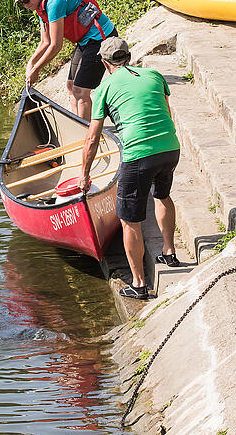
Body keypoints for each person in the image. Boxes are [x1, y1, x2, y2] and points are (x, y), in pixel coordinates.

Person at [79, 38, 181, 300]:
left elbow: (92, 139)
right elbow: (165, 112)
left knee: (129, 221)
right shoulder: (155, 75)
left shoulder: (103, 89)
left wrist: (85, 175)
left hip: (138, 156)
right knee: (162, 195)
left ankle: (138, 284)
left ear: (104, 63)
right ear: (129, 56)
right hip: (170, 147)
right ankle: (169, 252)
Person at [14, 0, 118, 120]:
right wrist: (31, 63)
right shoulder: (40, 5)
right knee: (71, 86)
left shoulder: (55, 1)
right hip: (85, 40)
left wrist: (36, 70)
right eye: (21, 3)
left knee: (80, 91)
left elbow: (56, 45)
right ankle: (79, 124)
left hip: (101, 38)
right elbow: (45, 42)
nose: (25, 5)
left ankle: (86, 135)